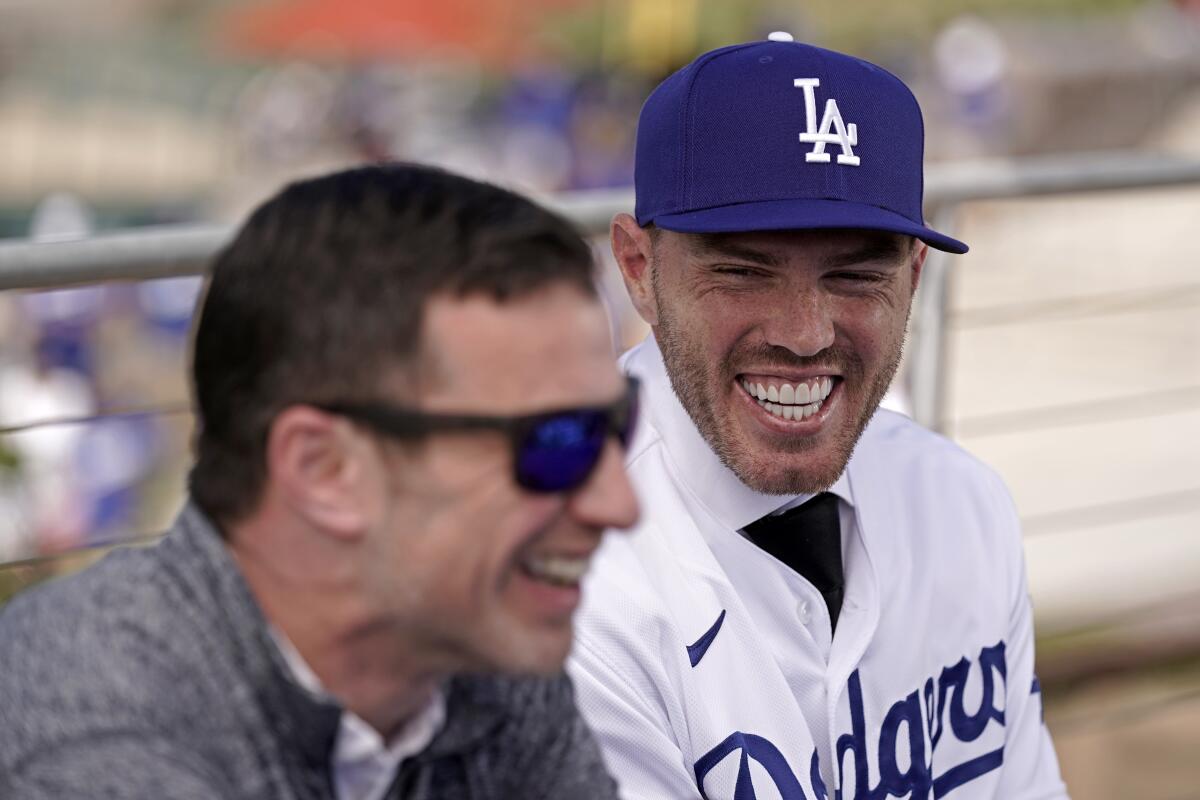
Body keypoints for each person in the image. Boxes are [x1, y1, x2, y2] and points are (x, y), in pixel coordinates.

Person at [0, 164, 639, 799]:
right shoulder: (91, 734)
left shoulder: (474, 650)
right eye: (557, 442)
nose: (621, 503)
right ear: (323, 470)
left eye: (619, 422)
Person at [567, 33, 1069, 799]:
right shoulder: (557, 584)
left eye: (856, 273)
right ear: (639, 270)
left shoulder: (965, 504)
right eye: (741, 270)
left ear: (914, 276)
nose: (805, 333)